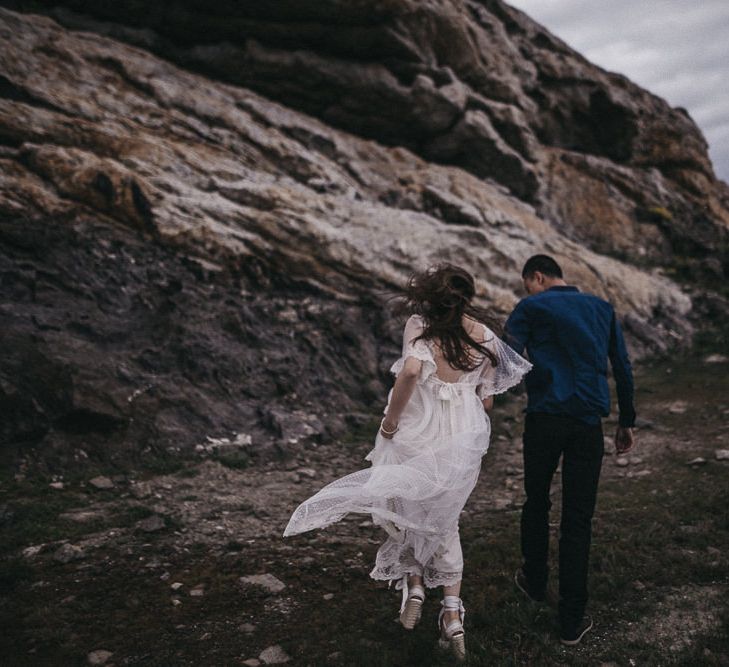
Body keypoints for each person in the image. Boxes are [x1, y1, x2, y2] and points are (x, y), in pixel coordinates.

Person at [284, 263, 531, 660]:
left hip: (421, 426)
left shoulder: (419, 325)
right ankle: (451, 611)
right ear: (467, 296)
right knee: (444, 514)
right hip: (465, 434)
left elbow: (412, 371)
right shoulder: (485, 334)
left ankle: (414, 584)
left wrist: (390, 421)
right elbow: (487, 398)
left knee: (405, 501)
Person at [505, 254, 636, 646]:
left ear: (538, 276)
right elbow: (623, 366)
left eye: (528, 282)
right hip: (587, 425)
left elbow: (507, 358)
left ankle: (534, 579)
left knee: (536, 501)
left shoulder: (531, 306)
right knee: (578, 519)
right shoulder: (601, 308)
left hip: (544, 419)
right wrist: (626, 419)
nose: (527, 289)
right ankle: (571, 620)